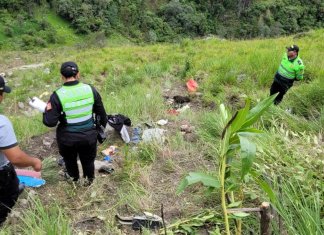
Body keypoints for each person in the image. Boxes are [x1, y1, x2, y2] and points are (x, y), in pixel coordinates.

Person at [43, 62, 107, 183]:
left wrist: (46, 110)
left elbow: (50, 122)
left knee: (70, 161)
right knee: (88, 161)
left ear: (62, 76)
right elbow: (102, 114)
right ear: (78, 74)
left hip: (67, 139)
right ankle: (89, 181)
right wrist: (100, 129)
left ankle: (74, 180)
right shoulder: (90, 89)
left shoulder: (57, 95)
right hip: (88, 136)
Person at [0, 75, 42, 225]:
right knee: (5, 203)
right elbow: (16, 158)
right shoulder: (2, 123)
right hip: (1, 176)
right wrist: (34, 162)